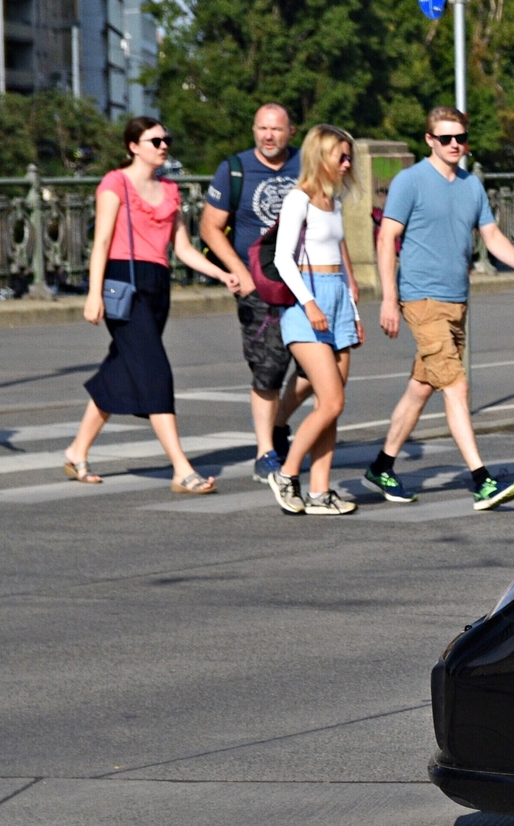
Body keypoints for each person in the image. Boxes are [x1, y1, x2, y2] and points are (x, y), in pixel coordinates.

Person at [366, 108, 514, 510]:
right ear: (429, 139)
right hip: (421, 298)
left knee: (423, 385)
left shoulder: (471, 186)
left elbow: (492, 235)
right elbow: (386, 240)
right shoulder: (409, 181)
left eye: (461, 138)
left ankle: (382, 466)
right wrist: (389, 299)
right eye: (446, 138)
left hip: (456, 300)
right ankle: (482, 480)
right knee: (457, 385)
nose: (454, 145)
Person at [59, 116, 246, 492]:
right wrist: (93, 294)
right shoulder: (115, 184)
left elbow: (182, 248)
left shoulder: (171, 191)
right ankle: (181, 469)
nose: (163, 146)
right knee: (155, 370)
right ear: (134, 146)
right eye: (155, 140)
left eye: (166, 140)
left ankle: (77, 450)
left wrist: (220, 272)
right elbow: (102, 242)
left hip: (157, 286)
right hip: (122, 284)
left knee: (123, 369)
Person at [196, 102, 311, 482]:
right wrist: (239, 271)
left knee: (319, 368)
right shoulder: (235, 169)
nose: (268, 136)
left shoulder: (306, 165)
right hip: (259, 286)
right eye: (262, 128)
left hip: (307, 281)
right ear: (253, 129)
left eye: (276, 129)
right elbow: (210, 227)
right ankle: (266, 453)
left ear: (291, 131)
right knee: (268, 367)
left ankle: (278, 425)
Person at [266, 125, 363, 516]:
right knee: (333, 400)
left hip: (337, 300)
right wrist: (309, 303)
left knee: (331, 403)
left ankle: (321, 492)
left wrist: (353, 315)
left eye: (349, 156)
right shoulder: (298, 200)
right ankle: (287, 474)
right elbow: (281, 259)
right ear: (320, 157)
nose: (347, 163)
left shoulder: (333, 202)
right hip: (308, 300)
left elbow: (341, 265)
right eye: (340, 156)